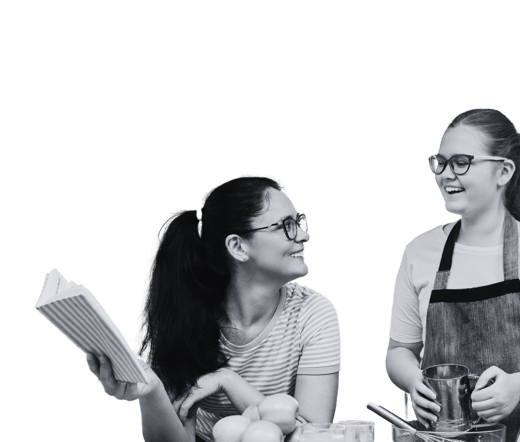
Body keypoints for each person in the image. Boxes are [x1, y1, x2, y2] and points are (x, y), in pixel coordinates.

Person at [385, 109, 520, 442]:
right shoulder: (419, 251)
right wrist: (414, 380)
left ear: (504, 171)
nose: (444, 175)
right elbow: (399, 350)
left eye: (461, 162)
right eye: (440, 162)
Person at [83, 173, 341, 442]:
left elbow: (313, 436)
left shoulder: (314, 313)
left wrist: (228, 381)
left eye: (299, 222)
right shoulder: (186, 311)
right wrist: (151, 390)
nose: (304, 234)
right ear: (238, 246)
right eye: (287, 225)